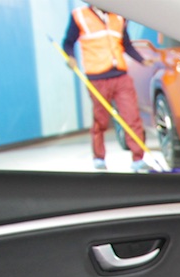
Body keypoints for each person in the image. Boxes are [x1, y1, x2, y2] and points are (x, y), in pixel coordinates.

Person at [63, 5, 152, 171]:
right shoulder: (79, 16)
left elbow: (126, 44)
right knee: (100, 120)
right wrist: (71, 57)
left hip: (121, 76)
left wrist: (142, 60)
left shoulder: (119, 16)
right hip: (97, 78)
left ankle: (138, 159)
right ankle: (99, 157)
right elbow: (68, 43)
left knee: (131, 117)